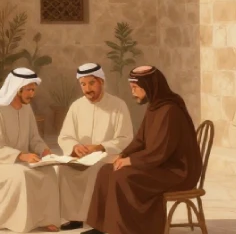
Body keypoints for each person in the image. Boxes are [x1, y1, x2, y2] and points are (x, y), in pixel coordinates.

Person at [85, 65, 203, 234]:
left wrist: (129, 161)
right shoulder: (155, 106)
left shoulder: (170, 110)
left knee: (122, 176)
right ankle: (102, 227)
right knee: (106, 171)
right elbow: (140, 140)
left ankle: (124, 230)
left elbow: (159, 152)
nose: (133, 92)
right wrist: (123, 154)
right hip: (159, 165)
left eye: (135, 88)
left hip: (177, 172)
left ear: (149, 87)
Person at [0, 68, 61, 233]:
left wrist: (45, 152)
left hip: (19, 162)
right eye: (28, 90)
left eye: (33, 90)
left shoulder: (27, 110)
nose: (32, 94)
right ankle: (18, 222)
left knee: (50, 172)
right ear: (17, 89)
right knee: (21, 174)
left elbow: (34, 138)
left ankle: (45, 219)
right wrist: (22, 156)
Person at [55, 63, 134, 231]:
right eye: (83, 84)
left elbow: (126, 138)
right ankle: (75, 217)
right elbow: (65, 136)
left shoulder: (118, 106)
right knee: (64, 169)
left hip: (107, 156)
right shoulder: (76, 106)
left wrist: (100, 147)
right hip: (82, 157)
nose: (87, 88)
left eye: (91, 83)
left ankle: (97, 221)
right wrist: (74, 147)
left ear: (101, 82)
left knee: (96, 170)